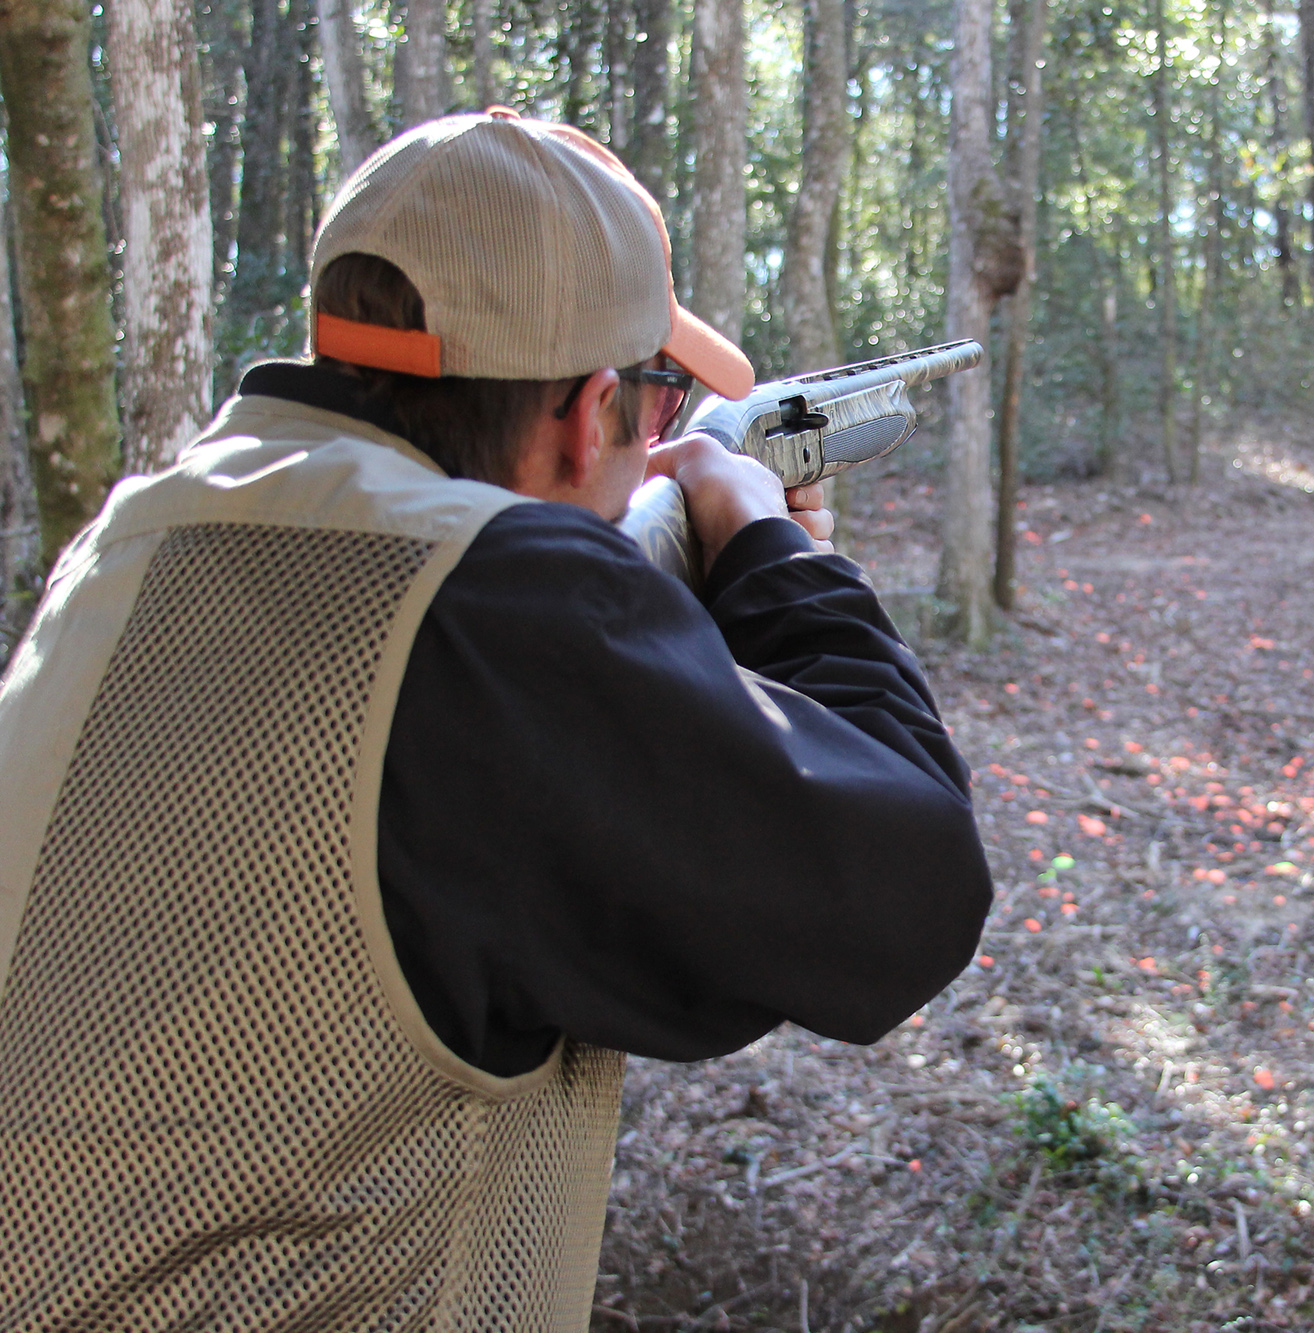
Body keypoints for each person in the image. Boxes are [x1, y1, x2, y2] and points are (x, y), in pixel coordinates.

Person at [0, 110, 992, 1329]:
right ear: (588, 413)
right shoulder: (487, 601)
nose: (656, 435)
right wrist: (766, 544)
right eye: (656, 397)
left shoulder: (139, 532)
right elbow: (905, 899)